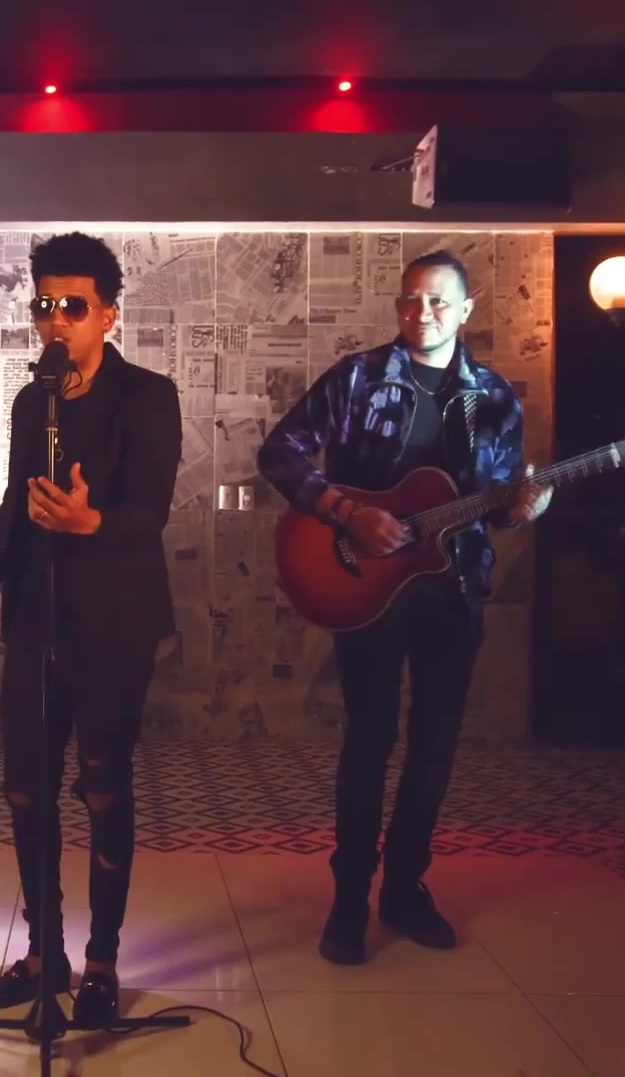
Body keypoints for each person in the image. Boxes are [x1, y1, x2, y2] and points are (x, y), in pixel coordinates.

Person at [257, 249, 550, 965]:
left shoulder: (493, 397)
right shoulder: (357, 378)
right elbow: (280, 452)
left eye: (439, 301)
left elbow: (496, 504)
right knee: (369, 740)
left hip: (454, 591)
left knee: (436, 743)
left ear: (465, 311)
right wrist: (349, 513)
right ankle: (349, 899)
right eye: (411, 299)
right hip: (367, 587)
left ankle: (404, 889)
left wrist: (522, 509)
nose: (423, 313)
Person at [0, 233, 181, 1026]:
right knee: (26, 789)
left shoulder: (148, 396)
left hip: (114, 622)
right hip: (38, 618)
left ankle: (100, 963)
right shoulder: (33, 401)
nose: (57, 320)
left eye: (74, 306)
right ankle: (45, 958)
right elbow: (16, 505)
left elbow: (150, 512)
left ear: (108, 314)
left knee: (103, 785)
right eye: (45, 306)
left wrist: (89, 520)